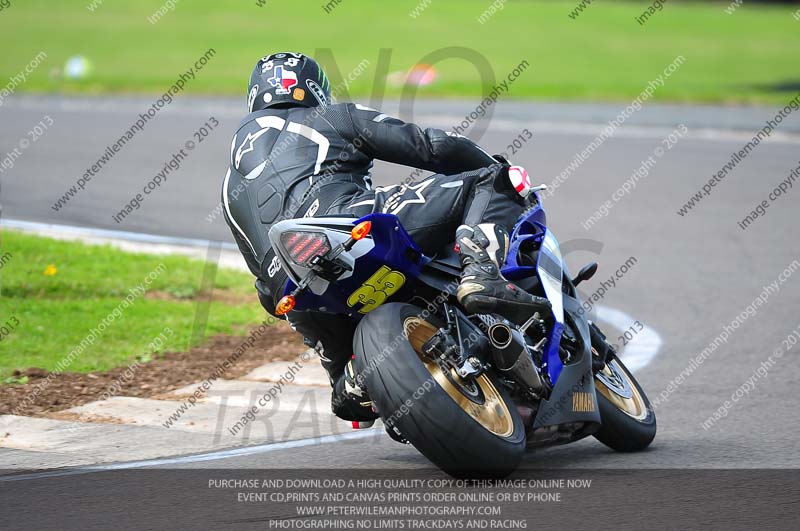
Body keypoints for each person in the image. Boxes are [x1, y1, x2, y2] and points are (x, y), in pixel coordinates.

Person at [222, 52, 549, 424]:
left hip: (296, 290)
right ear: (315, 88)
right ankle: (481, 273)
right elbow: (431, 147)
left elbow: (264, 291)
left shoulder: (229, 187)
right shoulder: (328, 115)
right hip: (346, 224)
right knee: (495, 183)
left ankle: (352, 382)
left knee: (344, 391)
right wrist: (492, 164)